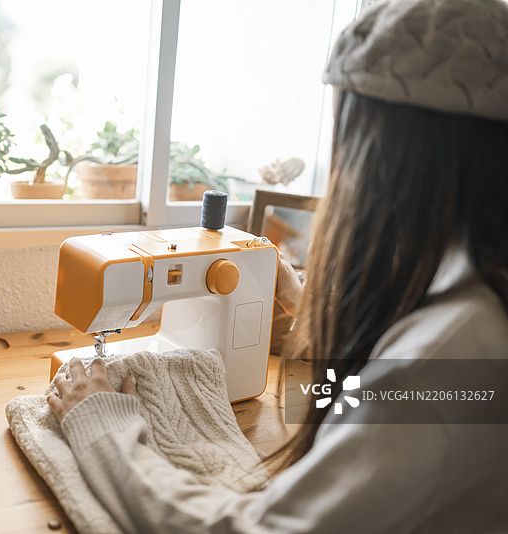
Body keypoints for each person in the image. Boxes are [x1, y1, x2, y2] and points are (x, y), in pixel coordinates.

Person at [46, 0, 508, 532]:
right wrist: (302, 302)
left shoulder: (449, 354)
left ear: (384, 156)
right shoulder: (476, 292)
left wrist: (102, 424)